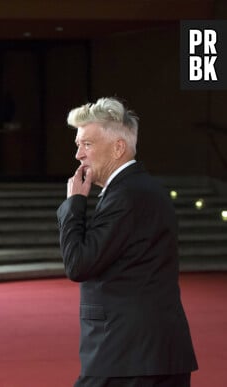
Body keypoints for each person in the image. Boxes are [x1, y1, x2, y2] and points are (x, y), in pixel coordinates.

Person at [56, 97, 198, 387]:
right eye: (77, 145)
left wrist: (74, 204)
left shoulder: (126, 196)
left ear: (118, 147)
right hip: (149, 353)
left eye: (87, 144)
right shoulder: (143, 189)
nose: (78, 155)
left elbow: (78, 264)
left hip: (126, 356)